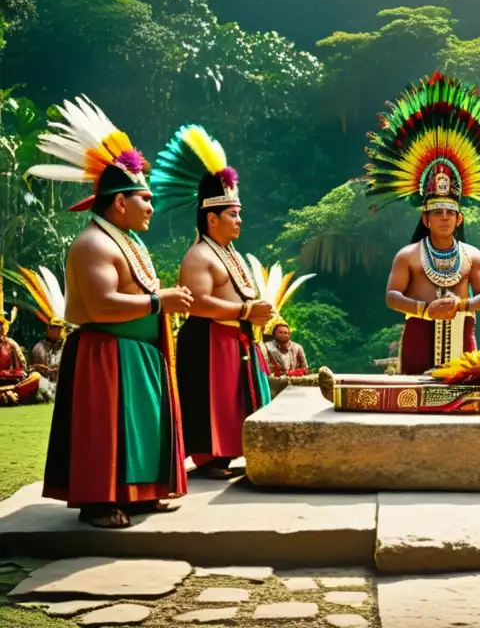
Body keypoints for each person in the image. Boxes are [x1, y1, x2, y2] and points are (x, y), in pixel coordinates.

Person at [27, 96, 192, 528]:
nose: (152, 207)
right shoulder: (93, 244)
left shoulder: (127, 240)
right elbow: (102, 305)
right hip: (105, 353)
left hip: (136, 354)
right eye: (145, 199)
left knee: (139, 430)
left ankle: (139, 494)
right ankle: (100, 501)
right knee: (106, 432)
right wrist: (161, 302)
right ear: (119, 203)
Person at [366, 72, 480, 375]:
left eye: (450, 213)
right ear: (425, 217)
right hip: (418, 334)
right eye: (437, 213)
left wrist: (460, 306)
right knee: (415, 403)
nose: (444, 218)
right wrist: (426, 310)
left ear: (459, 217)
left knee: (464, 405)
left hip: (462, 332)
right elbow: (392, 296)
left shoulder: (473, 256)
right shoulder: (408, 255)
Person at [150, 125, 273, 480]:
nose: (239, 220)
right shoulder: (199, 255)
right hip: (209, 339)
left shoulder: (230, 252)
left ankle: (238, 449)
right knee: (213, 400)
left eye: (239, 213)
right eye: (232, 214)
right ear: (211, 218)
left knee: (238, 399)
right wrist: (245, 311)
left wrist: (253, 313)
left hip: (239, 339)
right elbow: (197, 303)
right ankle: (210, 457)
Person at [246, 254, 316, 377]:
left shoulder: (297, 347)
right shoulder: (266, 348)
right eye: (281, 332)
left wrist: (297, 373)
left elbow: (305, 367)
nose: (285, 335)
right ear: (273, 333)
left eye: (287, 333)